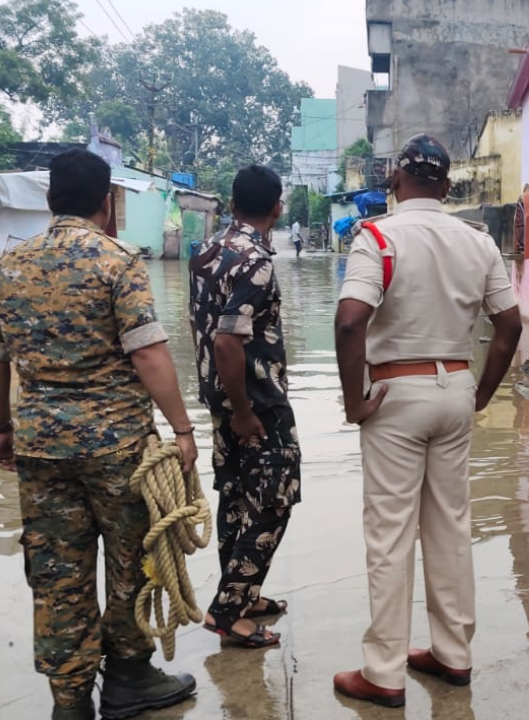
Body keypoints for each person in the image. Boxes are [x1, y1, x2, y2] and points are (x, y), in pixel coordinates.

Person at [0, 149, 199, 720]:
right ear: (108, 201)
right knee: (132, 558)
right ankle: (128, 677)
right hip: (116, 447)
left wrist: (2, 426)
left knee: (57, 572)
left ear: (51, 200)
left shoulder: (8, 267)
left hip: (39, 447)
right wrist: (181, 429)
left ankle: (69, 701)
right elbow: (148, 352)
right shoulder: (118, 262)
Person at [332, 134, 522, 709]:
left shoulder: (378, 237)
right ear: (446, 185)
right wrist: (482, 392)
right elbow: (509, 325)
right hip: (456, 386)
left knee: (391, 533)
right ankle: (452, 654)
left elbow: (348, 322)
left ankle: (384, 671)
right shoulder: (477, 242)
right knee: (450, 526)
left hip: (395, 392)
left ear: (394, 180)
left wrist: (352, 402)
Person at [189, 165, 300, 649]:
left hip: (220, 398)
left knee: (236, 497)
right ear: (277, 208)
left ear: (231, 204)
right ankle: (229, 612)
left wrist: (229, 408)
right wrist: (243, 411)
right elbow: (230, 342)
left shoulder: (206, 251)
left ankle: (245, 592)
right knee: (275, 499)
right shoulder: (255, 259)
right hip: (255, 402)